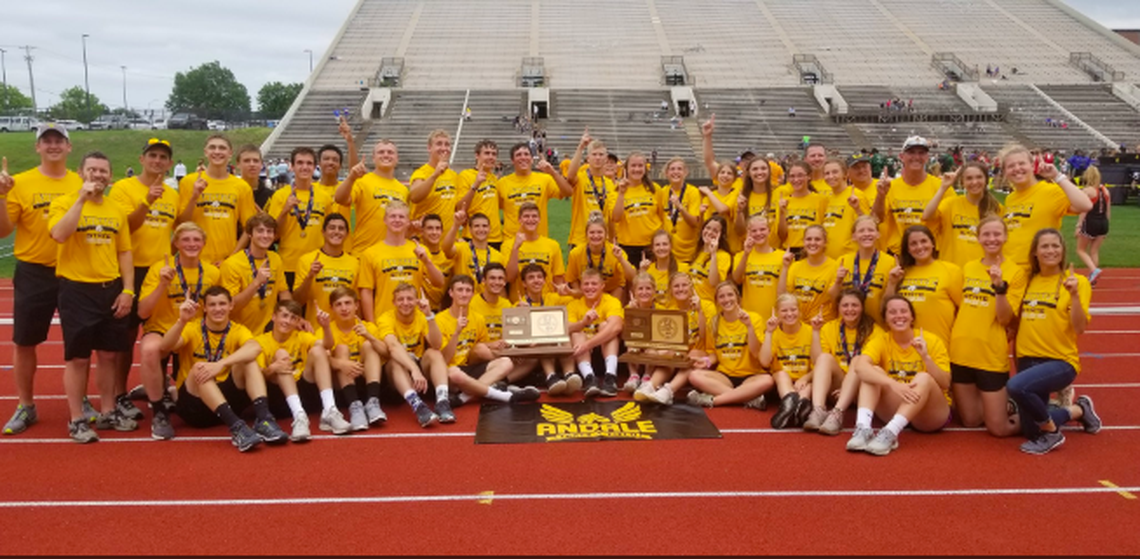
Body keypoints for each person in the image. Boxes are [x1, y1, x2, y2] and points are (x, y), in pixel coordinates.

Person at [0, 124, 85, 435]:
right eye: (46, 141)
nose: (53, 145)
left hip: (74, 271)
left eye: (59, 140)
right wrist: (1, 197)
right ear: (37, 147)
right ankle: (26, 404)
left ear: (69, 147)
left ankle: (80, 401)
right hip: (34, 272)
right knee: (25, 341)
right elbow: (3, 231)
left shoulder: (81, 182)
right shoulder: (19, 183)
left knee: (79, 343)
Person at [48, 151, 137, 442]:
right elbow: (59, 234)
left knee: (109, 355)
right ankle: (77, 418)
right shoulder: (64, 203)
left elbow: (124, 252)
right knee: (78, 358)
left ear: (110, 177)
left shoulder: (116, 210)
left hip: (110, 289)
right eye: (93, 170)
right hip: (77, 289)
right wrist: (80, 200)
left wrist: (127, 290)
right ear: (80, 172)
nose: (98, 175)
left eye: (103, 171)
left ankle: (108, 411)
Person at [159, 286, 288, 451]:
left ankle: (264, 420)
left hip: (227, 402)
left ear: (231, 305)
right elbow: (165, 346)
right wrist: (181, 321)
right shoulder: (192, 328)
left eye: (222, 304)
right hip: (195, 408)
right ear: (204, 308)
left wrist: (221, 364)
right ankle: (237, 428)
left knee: (249, 361)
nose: (217, 309)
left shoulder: (238, 330)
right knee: (199, 367)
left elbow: (255, 348)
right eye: (212, 305)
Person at [1007, 229, 1100, 454]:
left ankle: (1052, 433)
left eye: (1055, 246)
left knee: (1016, 386)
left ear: (1063, 250)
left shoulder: (1077, 282)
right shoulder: (1028, 280)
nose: (1050, 251)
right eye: (1045, 246)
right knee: (1031, 431)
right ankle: (1079, 410)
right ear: (1035, 252)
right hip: (1027, 358)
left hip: (1059, 360)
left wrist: (1074, 295)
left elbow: (1079, 327)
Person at [107, 137, 179, 419]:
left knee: (161, 333)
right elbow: (125, 227)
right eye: (152, 156)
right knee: (124, 336)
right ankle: (119, 393)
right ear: (142, 159)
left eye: (163, 157)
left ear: (169, 163)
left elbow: (176, 231)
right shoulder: (124, 188)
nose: (157, 161)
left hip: (160, 271)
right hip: (130, 269)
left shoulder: (172, 194)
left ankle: (157, 389)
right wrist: (147, 201)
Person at [136, 222, 221, 439]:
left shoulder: (212, 272)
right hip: (162, 328)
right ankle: (159, 411)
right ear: (176, 243)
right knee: (149, 350)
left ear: (204, 243)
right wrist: (162, 284)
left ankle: (177, 393)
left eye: (196, 240)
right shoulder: (159, 269)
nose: (191, 244)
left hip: (195, 332)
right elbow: (143, 311)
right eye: (185, 239)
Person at [949, 216, 1026, 437]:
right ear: (978, 238)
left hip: (990, 354)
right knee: (971, 421)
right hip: (961, 352)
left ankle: (1042, 414)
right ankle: (1005, 404)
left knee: (998, 429)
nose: (992, 239)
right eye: (986, 234)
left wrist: (999, 287)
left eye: (997, 234)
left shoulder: (1015, 272)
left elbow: (1004, 318)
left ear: (1006, 237)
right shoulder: (968, 268)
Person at [846, 296, 951, 456]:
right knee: (872, 372)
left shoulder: (931, 340)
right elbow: (860, 367)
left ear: (912, 317)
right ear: (886, 319)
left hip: (928, 415)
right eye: (892, 312)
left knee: (923, 378)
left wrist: (926, 357)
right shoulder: (881, 340)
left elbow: (945, 383)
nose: (899, 316)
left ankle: (890, 433)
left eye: (903, 311)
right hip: (897, 406)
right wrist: (893, 384)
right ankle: (863, 428)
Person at [238, 300, 352, 440]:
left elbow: (327, 345)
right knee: (281, 355)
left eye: (293, 318)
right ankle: (298, 416)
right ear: (274, 317)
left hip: (304, 392)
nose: (287, 321)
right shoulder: (260, 342)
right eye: (284, 316)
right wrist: (273, 368)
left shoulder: (301, 336)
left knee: (318, 350)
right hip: (278, 397)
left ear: (298, 321)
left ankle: (329, 410)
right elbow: (256, 376)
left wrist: (326, 327)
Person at [440, 275, 537, 417]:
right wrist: (456, 333)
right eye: (460, 290)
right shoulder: (440, 319)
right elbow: (444, 359)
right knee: (456, 374)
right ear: (451, 293)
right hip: (451, 372)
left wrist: (509, 348)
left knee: (506, 362)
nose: (464, 294)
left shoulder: (478, 318)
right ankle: (503, 395)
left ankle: (464, 397)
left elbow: (483, 346)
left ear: (473, 293)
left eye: (468, 290)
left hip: (471, 368)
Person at [999, 144, 1093, 269]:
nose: (1017, 168)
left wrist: (1057, 177)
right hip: (1012, 268)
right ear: (1005, 172)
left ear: (1032, 166)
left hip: (1038, 268)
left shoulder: (1050, 191)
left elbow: (1085, 205)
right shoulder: (1010, 198)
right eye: (1011, 166)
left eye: (1022, 163)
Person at [804, 288, 883, 435]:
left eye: (854, 305)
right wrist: (815, 331)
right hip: (837, 386)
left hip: (860, 387)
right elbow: (817, 362)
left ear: (862, 307)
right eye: (845, 305)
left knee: (859, 360)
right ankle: (819, 410)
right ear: (838, 308)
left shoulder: (875, 331)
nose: (849, 309)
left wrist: (849, 389)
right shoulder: (829, 327)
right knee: (824, 358)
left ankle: (837, 414)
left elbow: (874, 368)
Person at [686, 282, 771, 409]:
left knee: (768, 381)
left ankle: (713, 400)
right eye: (721, 296)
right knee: (694, 376)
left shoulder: (754, 318)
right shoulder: (713, 323)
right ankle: (747, 398)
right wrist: (707, 362)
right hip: (725, 376)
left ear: (738, 297)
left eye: (730, 295)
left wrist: (749, 326)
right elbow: (713, 353)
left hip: (751, 375)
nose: (726, 300)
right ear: (717, 301)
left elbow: (756, 352)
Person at [176, 134, 258, 266]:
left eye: (222, 148)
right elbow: (181, 223)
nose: (217, 151)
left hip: (226, 259)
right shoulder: (189, 182)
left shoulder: (242, 186)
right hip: (194, 259)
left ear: (230, 153)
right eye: (212, 147)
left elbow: (249, 228)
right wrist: (194, 197)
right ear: (205, 152)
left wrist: (231, 257)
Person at [357, 200, 445, 321]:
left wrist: (427, 262)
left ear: (408, 221)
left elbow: (439, 283)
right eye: (393, 216)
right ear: (385, 220)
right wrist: (371, 324)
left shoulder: (419, 249)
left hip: (414, 321)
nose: (397, 220)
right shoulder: (370, 253)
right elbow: (366, 292)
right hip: (384, 321)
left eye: (401, 217)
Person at [638, 272, 715, 404]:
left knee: (692, 354)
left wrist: (700, 311)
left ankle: (668, 391)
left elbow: (704, 337)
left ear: (691, 287)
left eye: (684, 285)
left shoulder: (707, 306)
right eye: (676, 286)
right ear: (671, 290)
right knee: (669, 352)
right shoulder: (671, 310)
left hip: (704, 355)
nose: (680, 289)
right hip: (681, 354)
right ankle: (650, 386)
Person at [376, 283, 446, 428]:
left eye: (409, 299)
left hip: (418, 367)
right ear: (394, 302)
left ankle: (443, 402)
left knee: (434, 353)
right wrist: (414, 369)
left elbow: (436, 344)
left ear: (416, 301)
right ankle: (417, 405)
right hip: (397, 372)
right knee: (395, 360)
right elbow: (392, 346)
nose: (405, 303)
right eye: (400, 299)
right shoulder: (385, 318)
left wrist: (429, 316)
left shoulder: (421, 316)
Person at [267, 147, 335, 290]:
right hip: (288, 264)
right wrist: (284, 211)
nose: (305, 167)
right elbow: (273, 235)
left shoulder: (324, 197)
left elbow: (330, 233)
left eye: (309, 163)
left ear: (315, 167)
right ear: (292, 167)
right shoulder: (280, 196)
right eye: (300, 163)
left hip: (317, 263)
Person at [884, 225, 963, 346]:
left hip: (939, 345)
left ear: (933, 244)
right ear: (908, 249)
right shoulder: (901, 272)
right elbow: (886, 308)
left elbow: (962, 311)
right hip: (905, 347)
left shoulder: (951, 270)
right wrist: (892, 283)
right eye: (913, 244)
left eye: (924, 241)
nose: (919, 246)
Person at [873, 136, 949, 257]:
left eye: (921, 153)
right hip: (898, 254)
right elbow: (876, 219)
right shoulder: (890, 186)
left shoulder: (941, 187)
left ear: (927, 157)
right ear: (901, 156)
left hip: (929, 253)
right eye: (911, 152)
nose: (916, 157)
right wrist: (880, 196)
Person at [324, 287, 385, 430]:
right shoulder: (326, 330)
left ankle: (373, 402)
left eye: (348, 303)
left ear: (356, 305)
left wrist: (369, 336)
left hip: (366, 378)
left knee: (369, 345)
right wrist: (341, 364)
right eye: (339, 304)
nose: (344, 308)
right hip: (342, 384)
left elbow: (386, 353)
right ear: (332, 308)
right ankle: (355, 407)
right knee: (341, 349)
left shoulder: (368, 326)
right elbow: (321, 360)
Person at [220, 213, 291, 334]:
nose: (265, 235)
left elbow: (283, 291)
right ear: (250, 234)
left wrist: (292, 315)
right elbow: (230, 307)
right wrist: (256, 283)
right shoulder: (232, 264)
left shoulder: (275, 259)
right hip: (239, 332)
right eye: (260, 231)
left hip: (268, 331)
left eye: (269, 231)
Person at [922, 162, 1003, 268]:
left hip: (982, 272)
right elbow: (926, 216)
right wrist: (943, 188)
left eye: (979, 177)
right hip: (951, 269)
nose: (974, 182)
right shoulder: (950, 204)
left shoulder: (996, 208)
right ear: (962, 182)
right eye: (969, 178)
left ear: (986, 180)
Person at [515, 263, 580, 394]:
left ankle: (569, 374)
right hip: (534, 348)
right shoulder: (518, 305)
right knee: (543, 335)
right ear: (524, 283)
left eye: (539, 277)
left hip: (556, 344)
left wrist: (570, 292)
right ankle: (551, 377)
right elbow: (517, 337)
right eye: (531, 277)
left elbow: (584, 297)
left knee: (564, 332)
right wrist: (522, 314)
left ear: (544, 281)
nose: (536, 280)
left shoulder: (553, 298)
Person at [334, 139, 408, 253]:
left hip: (391, 254)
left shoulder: (403, 190)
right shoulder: (362, 181)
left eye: (390, 152)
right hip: (364, 251)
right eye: (381, 152)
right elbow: (340, 199)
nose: (386, 155)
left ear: (397, 158)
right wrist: (351, 178)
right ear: (373, 158)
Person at [293, 213, 359, 328]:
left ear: (347, 234)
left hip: (344, 331)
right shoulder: (306, 260)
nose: (336, 231)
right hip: (316, 330)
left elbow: (357, 303)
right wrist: (310, 276)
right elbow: (297, 301)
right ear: (323, 232)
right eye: (332, 228)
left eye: (341, 228)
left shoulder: (355, 263)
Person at [496, 142, 573, 241]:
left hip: (538, 241)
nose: (523, 157)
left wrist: (553, 172)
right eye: (518, 155)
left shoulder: (545, 179)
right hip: (512, 241)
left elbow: (568, 193)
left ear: (532, 159)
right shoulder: (502, 183)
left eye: (526, 154)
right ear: (512, 160)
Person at [567, 268, 626, 397]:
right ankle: (589, 378)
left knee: (605, 326)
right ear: (581, 286)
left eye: (594, 284)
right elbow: (567, 328)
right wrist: (583, 323)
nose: (590, 287)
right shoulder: (573, 304)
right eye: (586, 284)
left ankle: (611, 377)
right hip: (582, 355)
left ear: (602, 286)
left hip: (605, 353)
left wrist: (588, 345)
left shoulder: (611, 301)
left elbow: (616, 326)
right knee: (576, 332)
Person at [760, 294, 816, 429]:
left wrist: (805, 378)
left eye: (793, 309)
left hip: (805, 381)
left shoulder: (810, 331)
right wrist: (768, 333)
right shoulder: (773, 333)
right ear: (777, 313)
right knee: (781, 374)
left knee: (808, 386)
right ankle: (790, 401)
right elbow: (764, 362)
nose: (789, 314)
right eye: (784, 310)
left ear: (800, 311)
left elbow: (819, 363)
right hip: (782, 383)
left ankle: (800, 407)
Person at [836, 215, 898, 326]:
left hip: (878, 326)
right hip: (847, 327)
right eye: (861, 231)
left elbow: (890, 302)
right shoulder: (843, 261)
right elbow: (833, 298)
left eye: (871, 230)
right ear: (854, 236)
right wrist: (838, 281)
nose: (866, 234)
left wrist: (892, 283)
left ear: (878, 234)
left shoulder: (890, 262)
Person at [503, 202, 566, 302]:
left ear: (539, 219)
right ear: (519, 220)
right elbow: (510, 278)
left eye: (534, 216)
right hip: (519, 303)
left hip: (545, 303)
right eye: (526, 216)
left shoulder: (553, 245)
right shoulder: (508, 245)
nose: (530, 219)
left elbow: (558, 278)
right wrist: (516, 247)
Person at [565, 130, 617, 251]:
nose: (597, 158)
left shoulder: (610, 184)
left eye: (601, 154)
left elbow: (611, 217)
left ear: (606, 158)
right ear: (588, 158)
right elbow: (570, 176)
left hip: (602, 240)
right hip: (580, 240)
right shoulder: (581, 178)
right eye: (594, 154)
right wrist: (581, 147)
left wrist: (612, 239)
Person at [611, 152, 665, 264]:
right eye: (633, 166)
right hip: (628, 246)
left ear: (645, 168)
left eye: (640, 166)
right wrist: (621, 193)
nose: (637, 169)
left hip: (652, 245)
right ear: (626, 169)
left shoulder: (655, 189)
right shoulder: (616, 190)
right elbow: (616, 218)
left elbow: (661, 217)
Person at [316, 116, 359, 253]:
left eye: (335, 160)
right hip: (319, 250)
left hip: (344, 250)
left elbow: (355, 172)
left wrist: (350, 141)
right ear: (319, 163)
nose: (330, 162)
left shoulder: (345, 188)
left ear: (340, 165)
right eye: (326, 159)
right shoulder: (311, 189)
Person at [779, 225, 839, 322]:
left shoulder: (835, 267)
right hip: (798, 325)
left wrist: (839, 281)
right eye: (809, 239)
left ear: (825, 242)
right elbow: (782, 296)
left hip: (822, 324)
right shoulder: (795, 266)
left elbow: (837, 301)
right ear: (803, 242)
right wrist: (785, 267)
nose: (812, 243)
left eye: (817, 239)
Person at [565, 211, 628, 300]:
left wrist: (621, 259)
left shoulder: (615, 252)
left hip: (611, 292)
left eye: (599, 232)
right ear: (586, 234)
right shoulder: (575, 254)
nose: (596, 236)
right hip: (586, 292)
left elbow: (630, 278)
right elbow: (572, 279)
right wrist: (580, 294)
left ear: (606, 234)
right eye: (592, 232)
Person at [733, 215, 785, 319]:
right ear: (749, 233)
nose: (758, 233)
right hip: (750, 316)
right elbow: (737, 279)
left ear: (769, 231)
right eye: (754, 231)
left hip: (774, 317)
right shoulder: (740, 256)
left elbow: (786, 291)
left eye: (762, 229)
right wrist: (746, 254)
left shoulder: (782, 256)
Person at [409, 130, 460, 234]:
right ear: (429, 148)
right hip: (425, 238)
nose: (444, 148)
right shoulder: (421, 173)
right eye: (439, 144)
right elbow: (414, 197)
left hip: (448, 239)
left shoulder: (454, 175)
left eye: (447, 144)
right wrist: (435, 175)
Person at [454, 140, 503, 249]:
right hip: (473, 235)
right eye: (487, 153)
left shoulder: (494, 179)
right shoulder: (465, 175)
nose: (491, 157)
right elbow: (459, 207)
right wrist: (476, 184)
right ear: (477, 155)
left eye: (494, 154)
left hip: (495, 237)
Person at [442, 210, 503, 293]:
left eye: (484, 226)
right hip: (464, 298)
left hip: (486, 300)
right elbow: (446, 248)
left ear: (490, 229)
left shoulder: (498, 256)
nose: (481, 229)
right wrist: (456, 225)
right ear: (470, 230)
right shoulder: (461, 248)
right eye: (476, 226)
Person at [820, 159, 869, 259]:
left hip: (849, 257)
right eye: (827, 173)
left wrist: (857, 209)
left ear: (845, 174)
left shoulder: (856, 195)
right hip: (829, 258)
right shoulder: (827, 199)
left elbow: (867, 224)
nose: (830, 176)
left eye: (835, 172)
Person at [777, 162, 828, 256]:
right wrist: (782, 213)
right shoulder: (784, 202)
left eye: (800, 175)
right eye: (792, 176)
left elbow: (824, 229)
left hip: (813, 250)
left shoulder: (821, 200)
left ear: (809, 176)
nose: (796, 180)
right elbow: (782, 236)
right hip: (790, 251)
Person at [660, 157, 705, 262]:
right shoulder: (663, 192)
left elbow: (694, 222)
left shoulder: (693, 192)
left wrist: (680, 207)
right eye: (672, 169)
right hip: (668, 251)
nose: (676, 172)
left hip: (688, 251)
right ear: (666, 173)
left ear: (685, 173)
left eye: (679, 169)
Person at [733, 157, 779, 253]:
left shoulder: (779, 193)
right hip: (750, 252)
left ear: (769, 171)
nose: (759, 172)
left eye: (763, 168)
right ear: (748, 173)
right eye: (755, 169)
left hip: (774, 252)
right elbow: (739, 232)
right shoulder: (741, 196)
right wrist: (739, 211)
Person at [1075, 166, 1109, 285]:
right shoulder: (1105, 190)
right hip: (1103, 223)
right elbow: (1108, 210)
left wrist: (1079, 225)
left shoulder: (1087, 191)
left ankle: (1094, 270)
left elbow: (1083, 210)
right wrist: (1106, 226)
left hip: (1091, 222)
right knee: (1094, 251)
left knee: (1080, 250)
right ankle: (1093, 277)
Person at [691, 215, 732, 304]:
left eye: (715, 231)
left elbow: (714, 283)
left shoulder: (724, 256)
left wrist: (713, 253)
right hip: (693, 305)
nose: (709, 232)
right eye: (708, 228)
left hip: (710, 306)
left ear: (721, 235)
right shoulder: (697, 251)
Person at [418, 214, 453, 311]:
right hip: (418, 309)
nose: (434, 232)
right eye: (430, 228)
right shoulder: (415, 253)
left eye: (437, 228)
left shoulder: (449, 256)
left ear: (442, 232)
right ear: (421, 231)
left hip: (439, 311)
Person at [236, 145, 270, 210]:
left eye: (256, 161)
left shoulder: (271, 196)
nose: (252, 164)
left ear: (261, 164)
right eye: (246, 161)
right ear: (238, 164)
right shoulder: (231, 194)